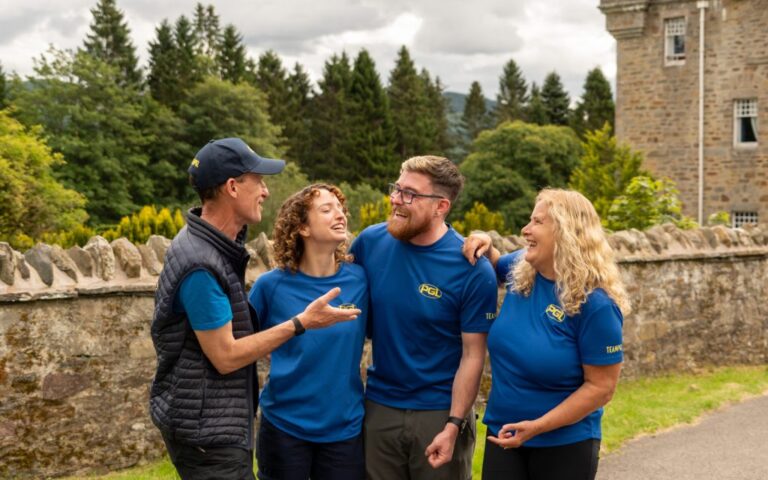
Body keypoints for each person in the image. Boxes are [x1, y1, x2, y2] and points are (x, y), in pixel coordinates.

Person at [149, 138, 360, 480]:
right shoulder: (201, 263)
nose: (265, 191)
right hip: (208, 432)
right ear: (232, 187)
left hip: (219, 424)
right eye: (258, 181)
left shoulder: (217, 249)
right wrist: (302, 323)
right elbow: (226, 355)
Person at [462, 188, 630, 480]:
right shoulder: (522, 267)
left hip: (564, 445)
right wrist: (485, 243)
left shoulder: (596, 305)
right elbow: (492, 261)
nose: (526, 230)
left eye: (538, 222)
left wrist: (538, 426)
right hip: (503, 434)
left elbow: (601, 388)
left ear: (566, 233)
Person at [350, 155, 498, 479]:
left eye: (409, 194)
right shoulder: (369, 243)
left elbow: (474, 355)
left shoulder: (471, 268)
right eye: (396, 188)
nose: (395, 200)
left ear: (441, 206)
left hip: (439, 412)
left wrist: (454, 424)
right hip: (379, 408)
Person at [248, 184, 368, 480]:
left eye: (341, 209)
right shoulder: (270, 286)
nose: (339, 215)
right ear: (301, 227)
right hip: (284, 426)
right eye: (327, 210)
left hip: (345, 428)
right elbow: (244, 346)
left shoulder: (360, 279)